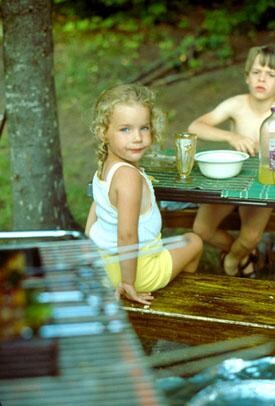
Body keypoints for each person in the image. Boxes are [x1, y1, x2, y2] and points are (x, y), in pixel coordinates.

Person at [85, 83, 203, 305]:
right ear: (103, 133)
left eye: (144, 128)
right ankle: (182, 299)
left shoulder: (105, 167)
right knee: (193, 240)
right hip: (136, 271)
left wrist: (89, 241)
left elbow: (96, 207)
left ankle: (172, 288)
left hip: (103, 262)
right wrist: (128, 282)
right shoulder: (128, 178)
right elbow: (127, 236)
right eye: (125, 129)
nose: (137, 137)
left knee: (175, 242)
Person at [188, 44, 275, 277]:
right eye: (256, 72)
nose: (262, 79)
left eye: (271, 74)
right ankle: (245, 258)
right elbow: (195, 126)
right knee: (201, 229)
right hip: (231, 177)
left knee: (249, 237)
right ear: (247, 77)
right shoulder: (236, 104)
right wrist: (231, 136)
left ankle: (233, 259)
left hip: (264, 183)